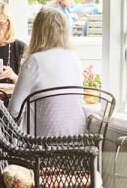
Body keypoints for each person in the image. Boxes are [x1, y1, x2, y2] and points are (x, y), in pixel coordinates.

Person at [9, 7, 84, 136]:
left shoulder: (35, 61)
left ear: (38, 32)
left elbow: (14, 110)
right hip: (75, 138)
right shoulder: (74, 58)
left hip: (40, 141)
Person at [0, 2, 27, 84]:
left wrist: (13, 77)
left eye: (1, 24)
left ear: (9, 24)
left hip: (12, 96)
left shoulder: (20, 47)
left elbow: (28, 86)